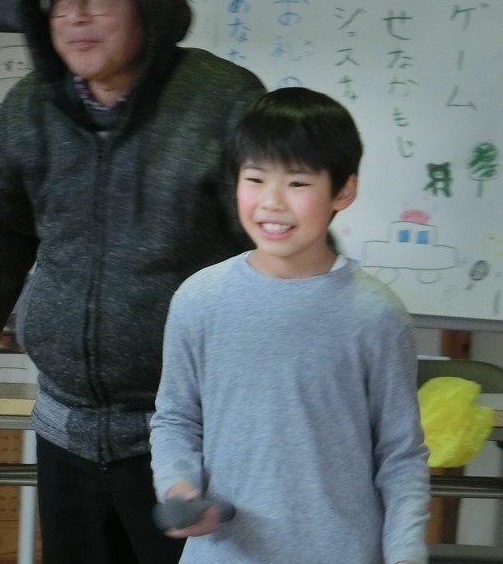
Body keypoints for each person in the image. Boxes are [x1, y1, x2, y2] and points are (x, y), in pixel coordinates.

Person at [0, 0, 265, 564]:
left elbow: (279, 253)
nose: (77, 15)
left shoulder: (224, 102)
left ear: (152, 5)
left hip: (186, 438)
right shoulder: (31, 107)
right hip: (66, 429)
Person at [150, 87, 431, 564]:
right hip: (222, 554)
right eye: (255, 179)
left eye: (298, 183)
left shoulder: (376, 314)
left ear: (343, 190)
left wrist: (405, 551)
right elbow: (176, 418)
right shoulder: (199, 299)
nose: (272, 202)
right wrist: (180, 487)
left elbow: (400, 454)